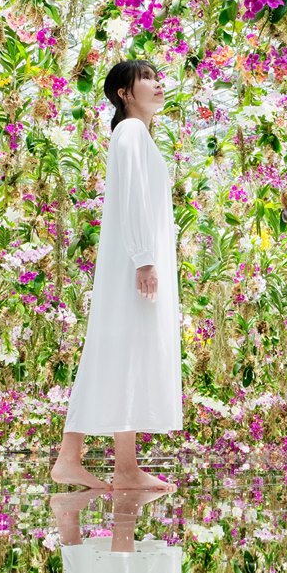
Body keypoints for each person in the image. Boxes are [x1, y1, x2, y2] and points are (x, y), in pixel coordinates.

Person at [53, 60, 182, 495]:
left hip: (135, 262)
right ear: (125, 93)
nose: (158, 83)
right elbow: (130, 198)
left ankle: (112, 464)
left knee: (121, 352)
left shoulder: (139, 136)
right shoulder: (129, 133)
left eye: (156, 76)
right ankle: (82, 460)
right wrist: (144, 259)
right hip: (134, 264)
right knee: (118, 350)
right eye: (147, 77)